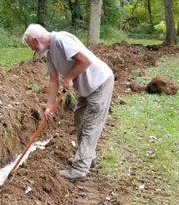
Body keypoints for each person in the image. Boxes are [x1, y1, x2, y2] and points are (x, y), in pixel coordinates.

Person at [23, 24, 114, 181]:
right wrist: (49, 106)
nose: (33, 51)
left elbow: (84, 61)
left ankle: (79, 169)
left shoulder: (61, 40)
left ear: (36, 40)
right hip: (87, 88)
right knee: (79, 118)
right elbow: (53, 81)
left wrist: (69, 77)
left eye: (32, 46)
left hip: (99, 83)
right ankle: (87, 157)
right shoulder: (50, 53)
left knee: (91, 125)